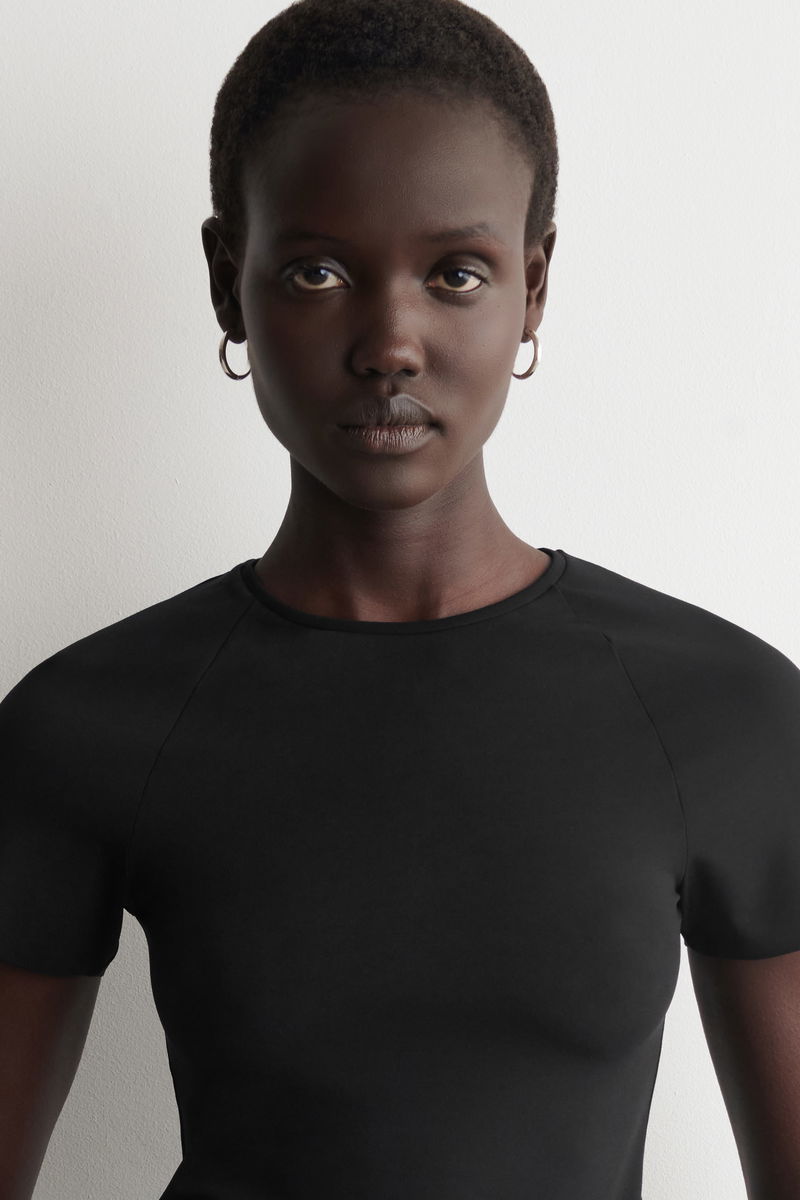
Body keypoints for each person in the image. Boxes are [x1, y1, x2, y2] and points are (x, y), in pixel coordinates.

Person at [2, 0, 800, 1196]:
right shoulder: (88, 723)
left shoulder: (722, 713)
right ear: (228, 283)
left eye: (455, 273)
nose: (389, 343)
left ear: (532, 287)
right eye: (317, 271)